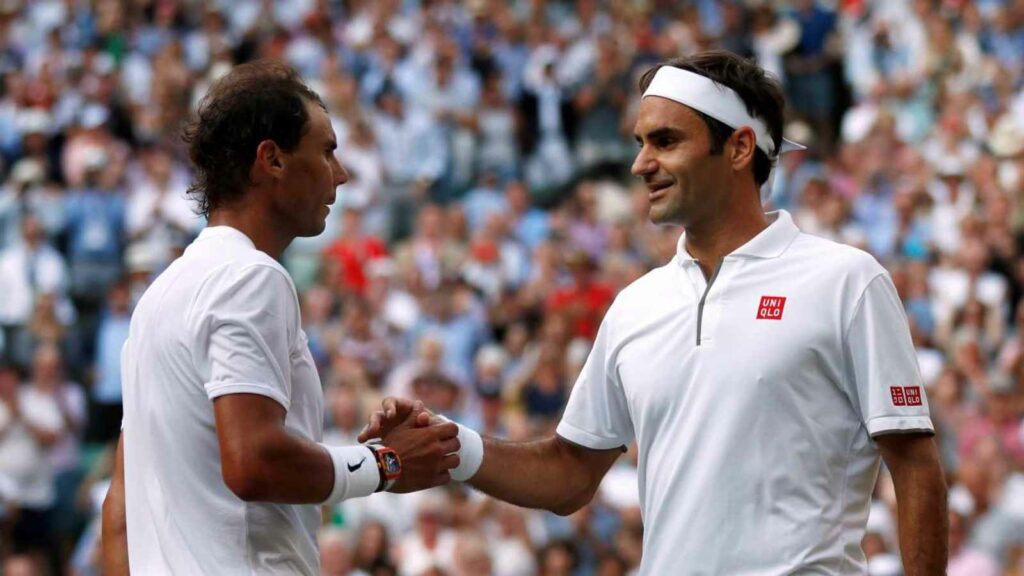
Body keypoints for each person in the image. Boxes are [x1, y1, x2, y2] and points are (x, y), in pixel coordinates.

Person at [363, 51, 948, 574]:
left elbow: (916, 467)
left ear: (740, 148)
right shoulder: (636, 305)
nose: (641, 164)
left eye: (665, 141)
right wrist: (446, 444)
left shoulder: (846, 280)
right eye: (640, 143)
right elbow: (569, 475)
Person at [101, 61, 461, 576]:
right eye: (327, 150)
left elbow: (120, 510)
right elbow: (254, 461)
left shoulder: (158, 299)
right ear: (271, 159)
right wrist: (387, 463)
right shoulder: (250, 277)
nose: (341, 173)